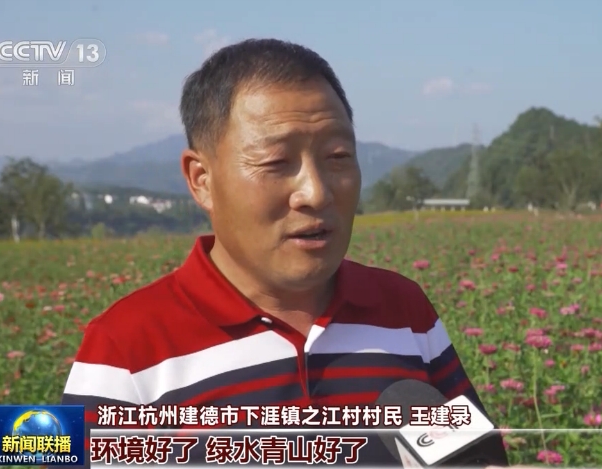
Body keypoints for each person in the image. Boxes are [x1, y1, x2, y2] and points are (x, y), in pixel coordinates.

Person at [59, 38, 505, 466]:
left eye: (338, 156)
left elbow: (476, 459)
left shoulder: (403, 310)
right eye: (276, 162)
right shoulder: (125, 347)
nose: (316, 192)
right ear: (201, 180)